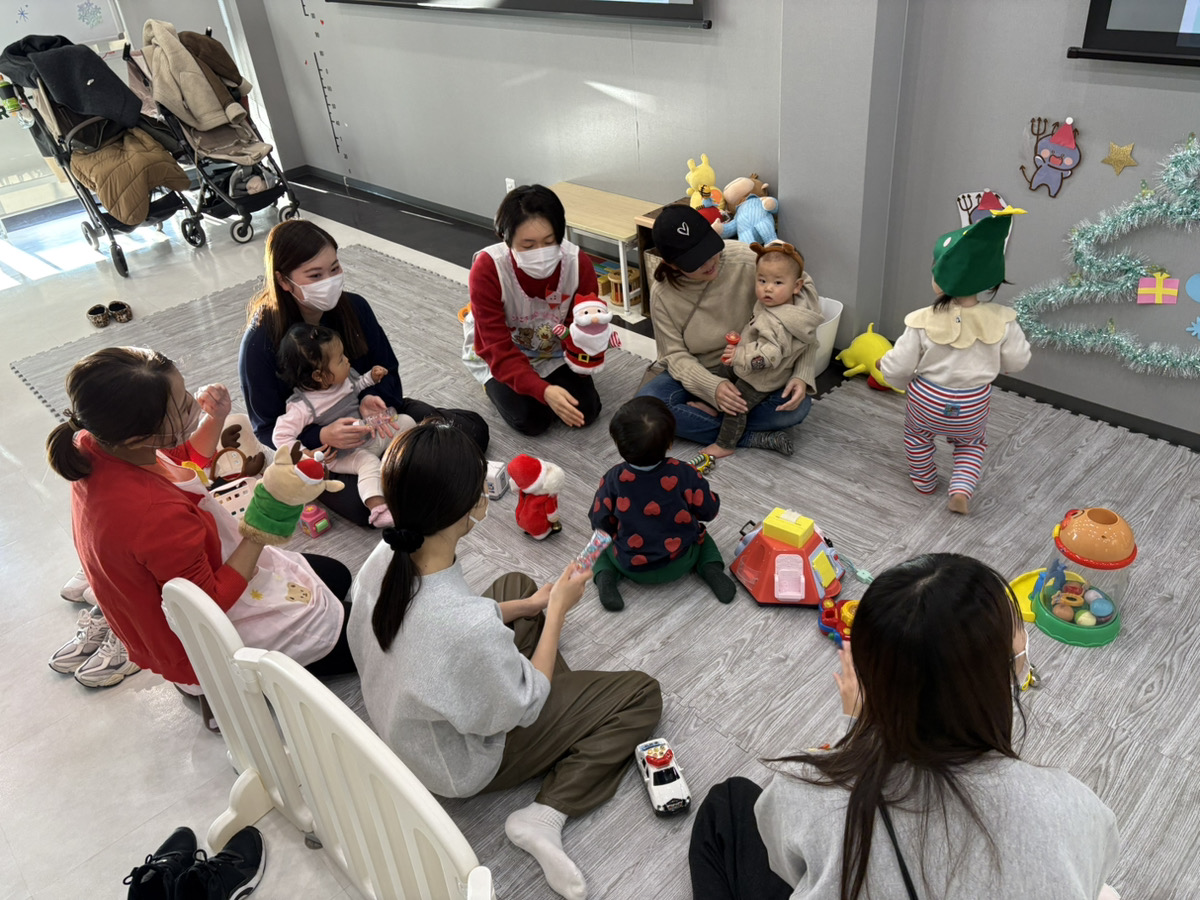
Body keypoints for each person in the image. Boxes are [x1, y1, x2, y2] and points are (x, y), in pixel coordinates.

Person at [348, 422, 662, 900]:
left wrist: (533, 606)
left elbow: (448, 625)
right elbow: (525, 704)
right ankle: (545, 814)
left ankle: (569, 715)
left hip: (405, 719)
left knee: (518, 588)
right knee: (640, 693)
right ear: (470, 508)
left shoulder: (384, 555)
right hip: (457, 765)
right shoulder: (465, 626)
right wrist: (557, 611)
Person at [688, 553, 1120, 900]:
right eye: (1017, 636)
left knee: (729, 803)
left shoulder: (803, 788)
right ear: (998, 676)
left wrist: (853, 730)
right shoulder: (1075, 807)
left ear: (869, 677)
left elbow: (788, 868)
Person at [46, 347, 356, 699]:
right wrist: (263, 523)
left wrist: (217, 418)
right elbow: (213, 602)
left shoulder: (95, 442)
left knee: (336, 575)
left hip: (189, 574)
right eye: (182, 408)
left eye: (186, 394)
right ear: (138, 436)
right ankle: (209, 688)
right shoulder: (152, 514)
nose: (195, 406)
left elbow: (176, 459)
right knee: (360, 633)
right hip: (200, 631)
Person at [241, 219, 488, 526]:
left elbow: (389, 372)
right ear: (284, 280)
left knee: (472, 430)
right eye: (315, 275)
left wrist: (373, 398)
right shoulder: (261, 342)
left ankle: (403, 470)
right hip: (328, 451)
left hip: (375, 422)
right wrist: (321, 435)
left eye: (334, 268)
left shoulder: (354, 308)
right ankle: (409, 470)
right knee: (362, 507)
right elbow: (267, 427)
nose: (329, 281)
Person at [880, 212, 1031, 516]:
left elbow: (899, 366)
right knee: (971, 444)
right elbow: (1017, 360)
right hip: (972, 402)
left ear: (941, 278)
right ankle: (961, 490)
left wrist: (888, 374)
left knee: (917, 436)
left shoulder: (922, 320)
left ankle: (924, 481)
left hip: (927, 400)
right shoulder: (1002, 320)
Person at [637, 204, 818, 452]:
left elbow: (802, 307)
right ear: (672, 264)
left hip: (756, 368)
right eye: (695, 261)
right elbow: (674, 355)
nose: (709, 262)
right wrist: (713, 388)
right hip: (701, 371)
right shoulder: (663, 295)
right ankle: (746, 435)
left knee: (796, 408)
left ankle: (718, 422)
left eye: (710, 250)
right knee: (646, 408)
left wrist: (802, 372)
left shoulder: (745, 259)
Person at [463, 184, 603, 435]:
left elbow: (580, 328)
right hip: (505, 348)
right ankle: (491, 384)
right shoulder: (489, 269)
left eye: (550, 242)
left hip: (552, 347)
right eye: (528, 246)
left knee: (586, 411)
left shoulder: (577, 264)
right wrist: (543, 390)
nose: (541, 254)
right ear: (505, 238)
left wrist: (586, 354)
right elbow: (496, 346)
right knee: (531, 420)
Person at [588, 396, 736, 612]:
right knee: (703, 537)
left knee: (599, 545)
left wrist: (615, 532)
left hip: (631, 565)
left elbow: (600, 521)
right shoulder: (685, 473)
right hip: (681, 561)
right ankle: (711, 569)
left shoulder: (612, 479)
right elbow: (708, 511)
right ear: (670, 443)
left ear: (619, 445)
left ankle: (606, 576)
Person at [274, 323, 416, 528]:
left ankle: (410, 462)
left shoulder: (344, 377)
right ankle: (378, 509)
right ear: (319, 375)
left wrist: (371, 377)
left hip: (368, 435)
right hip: (343, 456)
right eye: (340, 359)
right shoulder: (303, 406)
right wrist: (306, 453)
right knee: (368, 462)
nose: (347, 360)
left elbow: (357, 386)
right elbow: (280, 435)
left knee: (405, 421)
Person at [704, 241, 823, 459]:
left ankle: (726, 444)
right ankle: (713, 406)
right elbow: (799, 274)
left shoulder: (777, 322)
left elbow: (769, 356)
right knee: (722, 372)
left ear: (796, 285)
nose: (768, 288)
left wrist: (741, 355)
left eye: (777, 282)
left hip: (759, 375)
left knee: (736, 404)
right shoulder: (803, 296)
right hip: (751, 358)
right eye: (762, 281)